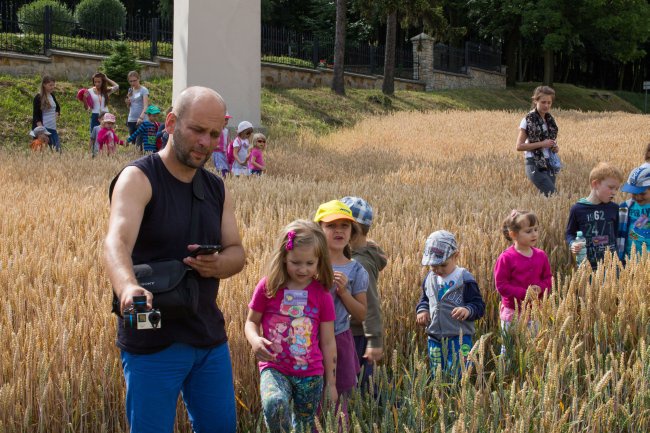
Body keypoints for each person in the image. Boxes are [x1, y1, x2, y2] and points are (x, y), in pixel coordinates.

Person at [103, 86, 245, 433]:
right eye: (197, 130)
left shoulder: (216, 188)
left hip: (207, 334)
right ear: (170, 122)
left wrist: (219, 265)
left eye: (214, 134)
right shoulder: (138, 177)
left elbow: (236, 251)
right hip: (153, 337)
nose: (205, 142)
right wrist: (127, 289)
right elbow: (115, 242)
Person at [245, 220, 338, 433]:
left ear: (319, 261)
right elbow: (251, 322)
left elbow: (328, 341)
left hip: (310, 374)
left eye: (310, 263)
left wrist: (331, 383)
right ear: (284, 257)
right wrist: (254, 340)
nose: (303, 269)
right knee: (274, 404)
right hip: (274, 367)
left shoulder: (322, 295)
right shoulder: (269, 286)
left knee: (304, 426)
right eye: (296, 262)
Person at [313, 200, 367, 425]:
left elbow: (362, 314)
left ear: (352, 232)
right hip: (309, 341)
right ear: (318, 230)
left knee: (338, 400)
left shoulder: (356, 269)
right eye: (331, 225)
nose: (339, 231)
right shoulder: (308, 264)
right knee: (312, 394)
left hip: (340, 339)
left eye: (345, 226)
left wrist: (344, 293)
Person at [416, 230, 485, 375]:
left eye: (443, 265)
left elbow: (479, 306)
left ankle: (459, 396)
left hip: (458, 338)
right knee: (438, 374)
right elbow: (425, 299)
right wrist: (422, 310)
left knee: (459, 374)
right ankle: (441, 397)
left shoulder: (465, 279)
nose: (438, 270)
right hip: (434, 337)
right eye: (433, 266)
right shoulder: (430, 278)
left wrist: (468, 310)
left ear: (456, 256)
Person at [339, 196, 386, 390]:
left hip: (358, 334)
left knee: (363, 383)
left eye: (342, 225)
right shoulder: (363, 253)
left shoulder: (360, 264)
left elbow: (371, 304)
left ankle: (383, 411)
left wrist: (375, 340)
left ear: (353, 230)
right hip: (354, 331)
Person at [494, 210, 552, 353]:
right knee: (509, 349)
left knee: (533, 349)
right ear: (513, 234)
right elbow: (501, 286)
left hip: (534, 312)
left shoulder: (541, 255)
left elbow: (549, 279)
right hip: (513, 314)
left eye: (536, 230)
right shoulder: (506, 258)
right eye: (528, 231)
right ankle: (507, 373)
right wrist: (525, 293)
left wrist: (540, 288)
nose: (534, 234)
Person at [565, 162, 624, 270]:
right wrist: (573, 243)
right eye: (611, 187)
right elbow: (569, 233)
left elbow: (615, 235)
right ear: (595, 184)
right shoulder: (578, 209)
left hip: (611, 266)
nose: (614, 192)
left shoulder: (614, 208)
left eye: (617, 189)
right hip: (587, 266)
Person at [515, 86, 560, 196]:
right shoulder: (528, 120)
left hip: (549, 163)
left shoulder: (549, 120)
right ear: (536, 101)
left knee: (548, 199)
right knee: (553, 196)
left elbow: (549, 142)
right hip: (534, 163)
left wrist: (554, 147)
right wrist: (543, 144)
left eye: (549, 103)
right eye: (543, 102)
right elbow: (519, 146)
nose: (546, 105)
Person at [617, 165, 650, 261]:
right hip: (629, 262)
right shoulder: (625, 207)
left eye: (643, 193)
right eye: (634, 193)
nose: (638, 197)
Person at [32, 75, 61, 152]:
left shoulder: (52, 96)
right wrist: (41, 131)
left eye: (53, 85)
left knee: (58, 152)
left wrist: (57, 114)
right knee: (40, 152)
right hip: (44, 128)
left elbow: (58, 107)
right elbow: (36, 116)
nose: (52, 87)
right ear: (44, 85)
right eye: (50, 85)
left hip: (53, 128)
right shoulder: (38, 97)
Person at [85, 72, 119, 136]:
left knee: (106, 135)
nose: (97, 84)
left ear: (102, 82)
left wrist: (107, 78)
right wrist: (85, 98)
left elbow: (117, 86)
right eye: (95, 82)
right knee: (94, 135)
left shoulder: (106, 91)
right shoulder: (89, 91)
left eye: (99, 82)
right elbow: (87, 107)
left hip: (106, 116)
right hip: (95, 115)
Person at [125, 71, 150, 151]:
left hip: (141, 120)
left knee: (139, 143)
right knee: (133, 141)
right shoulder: (130, 90)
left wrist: (141, 117)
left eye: (134, 80)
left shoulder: (144, 90)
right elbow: (130, 106)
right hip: (131, 119)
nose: (133, 83)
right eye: (131, 81)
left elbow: (146, 106)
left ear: (138, 79)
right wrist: (128, 103)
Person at [212, 112, 231, 177]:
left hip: (225, 151)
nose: (226, 122)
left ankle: (225, 177)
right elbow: (212, 139)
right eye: (225, 119)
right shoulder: (216, 130)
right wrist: (215, 146)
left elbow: (228, 140)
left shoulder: (226, 130)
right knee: (221, 166)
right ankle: (222, 176)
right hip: (217, 152)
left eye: (227, 120)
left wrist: (229, 148)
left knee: (226, 165)